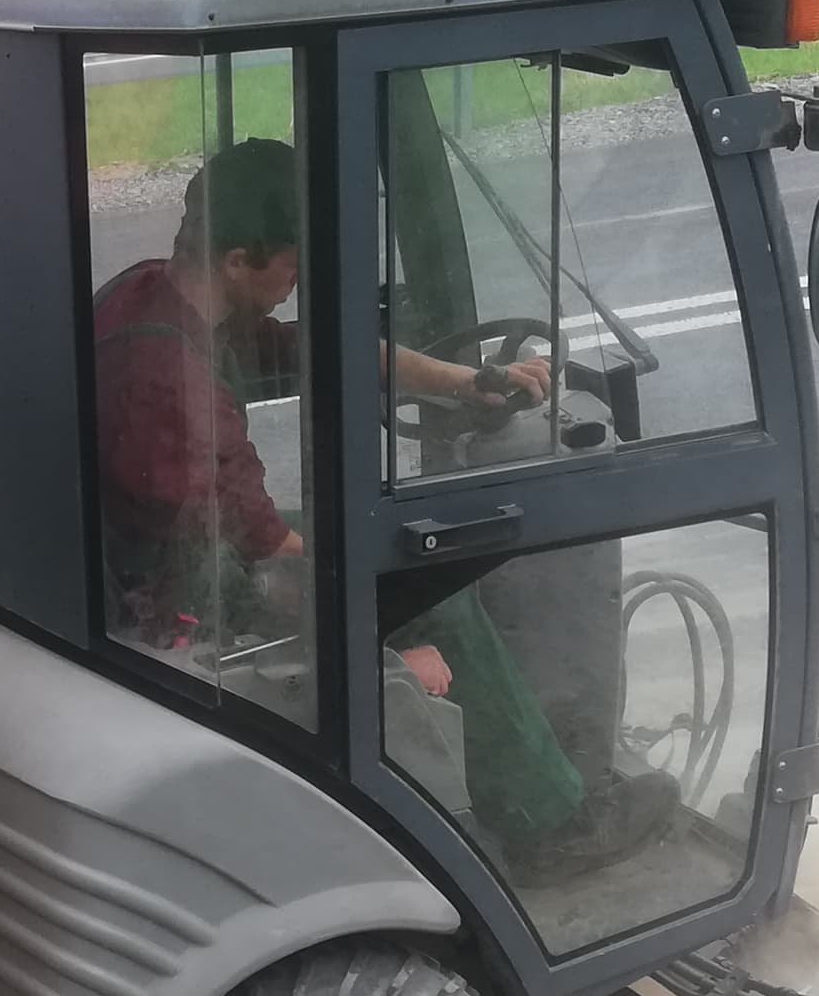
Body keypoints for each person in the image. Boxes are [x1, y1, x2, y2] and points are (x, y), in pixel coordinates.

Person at [90, 138, 547, 666]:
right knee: (438, 594)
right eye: (291, 268)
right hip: (181, 598)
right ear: (237, 261)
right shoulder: (168, 378)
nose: (297, 283)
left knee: (403, 554)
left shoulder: (159, 293)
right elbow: (269, 551)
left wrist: (465, 382)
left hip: (200, 553)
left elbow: (318, 351)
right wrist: (392, 637)